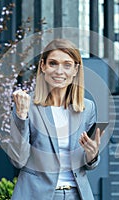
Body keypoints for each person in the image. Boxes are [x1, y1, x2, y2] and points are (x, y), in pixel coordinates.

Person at [10, 38, 104, 200]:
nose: (59, 71)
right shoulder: (26, 105)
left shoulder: (87, 108)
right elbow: (18, 160)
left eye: (67, 65)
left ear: (76, 70)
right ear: (43, 66)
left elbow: (87, 164)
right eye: (53, 63)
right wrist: (21, 116)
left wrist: (92, 155)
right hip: (36, 194)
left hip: (78, 194)